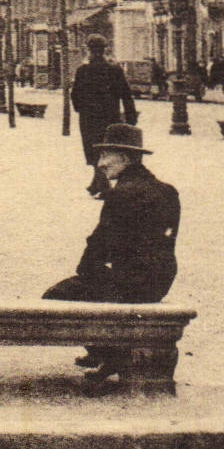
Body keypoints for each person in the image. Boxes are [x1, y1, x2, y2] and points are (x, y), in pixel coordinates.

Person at [43, 123, 180, 381]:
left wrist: (87, 271)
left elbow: (98, 247)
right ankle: (107, 353)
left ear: (125, 158)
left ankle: (111, 354)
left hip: (129, 285)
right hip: (159, 282)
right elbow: (165, 242)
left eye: (106, 156)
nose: (100, 164)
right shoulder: (168, 191)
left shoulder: (120, 195)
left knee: (56, 296)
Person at [70, 35, 137, 196]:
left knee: (93, 147)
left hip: (89, 118)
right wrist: (131, 116)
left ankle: (102, 184)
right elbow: (126, 94)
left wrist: (81, 109)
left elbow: (75, 95)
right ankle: (97, 182)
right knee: (106, 148)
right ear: (104, 50)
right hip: (110, 116)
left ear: (89, 50)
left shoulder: (82, 71)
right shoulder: (115, 70)